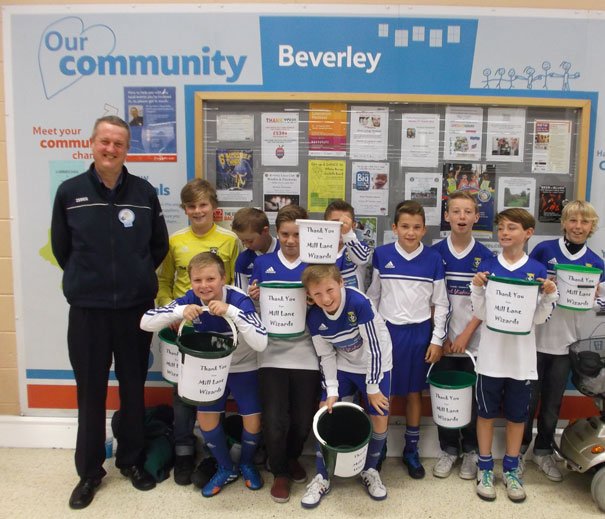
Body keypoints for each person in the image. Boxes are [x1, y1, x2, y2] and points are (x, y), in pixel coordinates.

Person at [50, 115, 169, 510]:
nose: (111, 149)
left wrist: (134, 276)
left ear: (126, 149)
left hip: (135, 310)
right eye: (105, 141)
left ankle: (132, 461)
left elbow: (158, 246)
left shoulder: (144, 192)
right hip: (88, 311)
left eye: (119, 143)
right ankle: (89, 472)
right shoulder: (70, 192)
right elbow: (61, 248)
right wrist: (91, 280)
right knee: (91, 394)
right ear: (92, 143)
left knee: (133, 388)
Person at [141, 252, 268, 497]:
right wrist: (180, 312)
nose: (204, 286)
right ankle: (226, 467)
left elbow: (260, 342)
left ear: (223, 278)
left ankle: (246, 463)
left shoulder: (239, 299)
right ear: (190, 282)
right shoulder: (190, 298)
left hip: (243, 367)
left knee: (252, 420)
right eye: (197, 280)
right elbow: (145, 322)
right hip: (209, 370)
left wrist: (230, 311)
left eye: (210, 279)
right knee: (206, 419)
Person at [470, 208, 558, 503]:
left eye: (512, 228)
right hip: (491, 358)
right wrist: (477, 289)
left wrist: (548, 296)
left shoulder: (537, 270)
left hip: (521, 362)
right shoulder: (488, 266)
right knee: (484, 414)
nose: (505, 233)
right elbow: (481, 313)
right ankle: (485, 467)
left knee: (517, 417)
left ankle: (510, 469)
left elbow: (538, 319)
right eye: (501, 228)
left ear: (528, 233)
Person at [156, 178, 239, 486]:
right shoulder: (175, 240)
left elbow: (235, 283)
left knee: (213, 389)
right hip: (183, 327)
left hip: (218, 327)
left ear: (214, 207)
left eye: (203, 204)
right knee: (181, 393)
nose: (198, 211)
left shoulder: (230, 240)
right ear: (185, 209)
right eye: (191, 206)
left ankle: (214, 452)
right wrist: (172, 312)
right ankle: (183, 453)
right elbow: (163, 283)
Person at [520, 200, 605, 481]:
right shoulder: (544, 251)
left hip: (565, 345)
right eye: (573, 221)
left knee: (552, 405)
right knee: (527, 401)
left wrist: (596, 299)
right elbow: (527, 284)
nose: (578, 227)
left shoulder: (596, 263)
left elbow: (602, 303)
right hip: (534, 341)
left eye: (584, 222)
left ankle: (543, 452)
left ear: (591, 227)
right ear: (564, 223)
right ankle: (517, 453)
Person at [366, 200, 450, 480]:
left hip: (419, 334)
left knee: (415, 393)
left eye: (416, 227)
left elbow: (442, 303)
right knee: (384, 393)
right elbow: (374, 295)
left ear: (424, 229)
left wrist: (437, 340)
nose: (410, 232)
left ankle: (411, 449)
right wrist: (372, 335)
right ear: (394, 228)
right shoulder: (382, 255)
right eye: (405, 226)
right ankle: (379, 447)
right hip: (388, 333)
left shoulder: (434, 260)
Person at [300, 264, 393, 508]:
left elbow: (375, 347)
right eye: (317, 294)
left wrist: (372, 387)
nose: (326, 298)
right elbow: (326, 356)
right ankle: (322, 475)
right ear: (310, 295)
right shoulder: (315, 316)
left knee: (380, 414)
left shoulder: (358, 303)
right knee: (325, 409)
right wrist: (332, 391)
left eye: (330, 289)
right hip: (344, 364)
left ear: (341, 283)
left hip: (377, 364)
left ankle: (371, 471)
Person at [248, 205, 321, 504]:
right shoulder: (263, 263)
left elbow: (327, 299)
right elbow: (254, 310)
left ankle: (292, 457)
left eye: (297, 234)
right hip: (272, 352)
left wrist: (316, 302)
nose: (291, 241)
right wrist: (254, 300)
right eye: (286, 234)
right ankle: (279, 471)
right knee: (276, 417)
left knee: (303, 419)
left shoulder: (317, 265)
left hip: (306, 349)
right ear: (277, 234)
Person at [431, 191, 493, 480]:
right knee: (444, 394)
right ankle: (448, 450)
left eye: (468, 212)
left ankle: (470, 450)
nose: (462, 217)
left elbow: (487, 304)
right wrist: (439, 335)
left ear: (476, 218)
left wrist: (467, 335)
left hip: (473, 344)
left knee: (471, 399)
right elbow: (430, 300)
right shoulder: (434, 253)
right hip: (442, 343)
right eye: (456, 211)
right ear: (447, 216)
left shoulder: (486, 256)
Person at [324, 200, 371, 290]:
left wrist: (347, 234)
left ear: (353, 226)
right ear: (326, 223)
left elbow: (361, 259)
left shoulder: (362, 247)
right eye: (335, 223)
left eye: (345, 223)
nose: (341, 227)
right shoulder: (317, 249)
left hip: (353, 303)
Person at [231, 207, 279, 293]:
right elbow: (241, 295)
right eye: (242, 241)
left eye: (250, 241)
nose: (246, 245)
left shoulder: (285, 250)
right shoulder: (243, 260)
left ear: (265, 231)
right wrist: (251, 295)